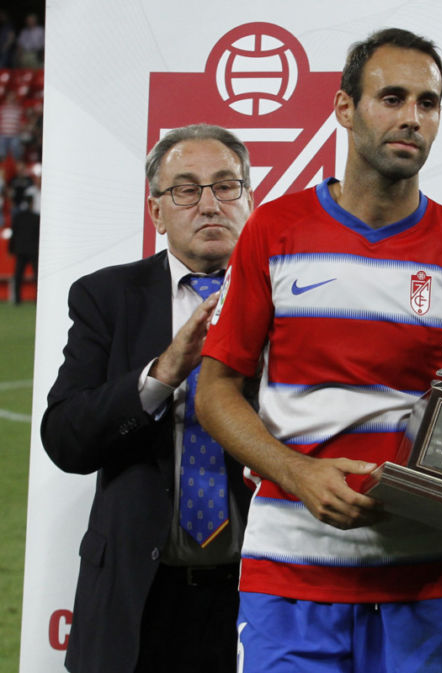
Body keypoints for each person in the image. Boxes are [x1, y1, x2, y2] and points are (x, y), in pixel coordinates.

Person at [196, 28, 442, 673]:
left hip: (426, 582)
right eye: (392, 97)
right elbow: (215, 390)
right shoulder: (274, 231)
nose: (412, 116)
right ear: (345, 108)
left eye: (428, 102)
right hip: (289, 577)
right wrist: (296, 473)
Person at [41, 124, 255, 673]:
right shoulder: (106, 297)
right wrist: (161, 373)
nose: (209, 203)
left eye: (226, 186)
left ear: (250, 200)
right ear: (157, 213)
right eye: (185, 189)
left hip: (258, 591)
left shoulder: (292, 300)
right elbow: (66, 438)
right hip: (137, 595)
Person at [9, 194, 39, 304]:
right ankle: (38, 299)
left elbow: (14, 234)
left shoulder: (18, 217)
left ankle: (17, 299)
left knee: (18, 276)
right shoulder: (36, 217)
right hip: (33, 251)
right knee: (37, 277)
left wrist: (11, 249)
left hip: (21, 250)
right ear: (31, 203)